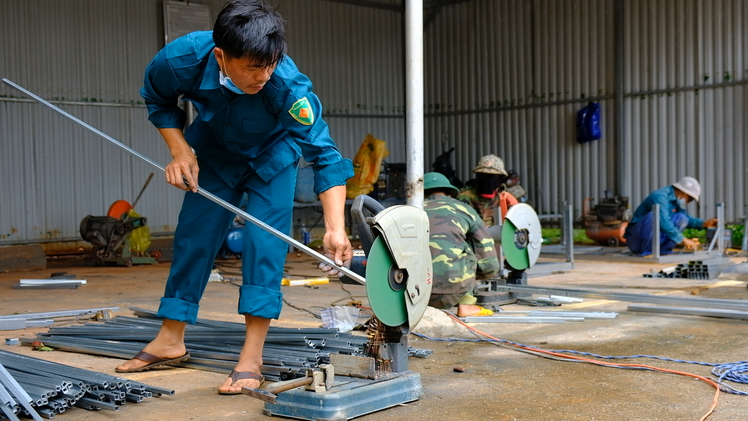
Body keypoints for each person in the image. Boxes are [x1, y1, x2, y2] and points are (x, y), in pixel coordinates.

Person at [114, 0, 354, 396]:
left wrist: (335, 228)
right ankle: (171, 339)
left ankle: (251, 358)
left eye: (270, 65)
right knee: (194, 238)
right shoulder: (180, 60)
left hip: (272, 160)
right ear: (221, 56)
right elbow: (158, 100)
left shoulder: (288, 86)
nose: (263, 76)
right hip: (214, 153)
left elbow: (324, 156)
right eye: (252, 68)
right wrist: (179, 150)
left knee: (264, 246)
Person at [423, 172, 500, 317]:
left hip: (413, 293)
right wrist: (483, 274)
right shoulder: (464, 209)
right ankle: (467, 305)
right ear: (449, 193)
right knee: (467, 248)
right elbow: (488, 259)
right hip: (455, 290)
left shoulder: (409, 211)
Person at [624, 176, 717, 256]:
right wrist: (683, 240)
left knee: (681, 218)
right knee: (654, 216)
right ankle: (646, 252)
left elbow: (686, 219)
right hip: (636, 239)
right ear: (683, 193)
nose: (688, 202)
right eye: (690, 199)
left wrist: (704, 223)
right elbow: (663, 221)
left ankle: (664, 251)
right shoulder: (660, 196)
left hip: (655, 240)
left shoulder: (676, 201)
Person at [457, 154, 518, 227]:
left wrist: (516, 208)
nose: (488, 181)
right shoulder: (464, 197)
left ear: (501, 178)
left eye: (494, 176)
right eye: (483, 176)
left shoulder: (505, 198)